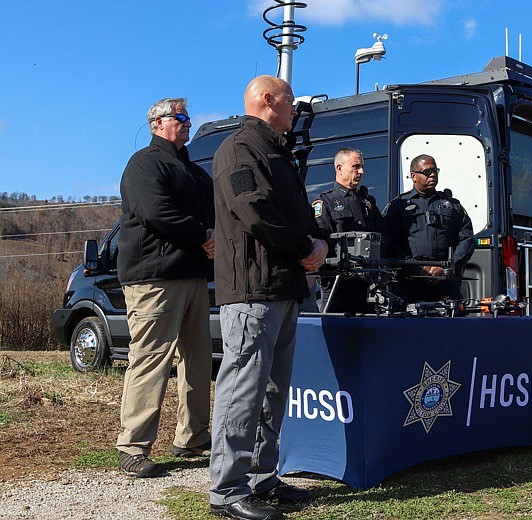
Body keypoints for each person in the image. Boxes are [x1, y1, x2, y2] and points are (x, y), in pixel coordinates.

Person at [209, 75, 329, 520]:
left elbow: (298, 212)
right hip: (253, 290)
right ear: (267, 100)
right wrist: (304, 247)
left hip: (283, 286)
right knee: (243, 387)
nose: (295, 109)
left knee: (274, 390)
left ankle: (261, 478)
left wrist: (319, 242)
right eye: (290, 102)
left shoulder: (276, 151)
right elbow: (255, 211)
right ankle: (227, 490)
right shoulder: (239, 149)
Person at [116, 98, 215, 477]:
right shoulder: (144, 163)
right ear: (158, 123)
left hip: (191, 276)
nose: (188, 123)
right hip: (153, 279)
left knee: (198, 360)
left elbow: (214, 215)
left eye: (190, 117)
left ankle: (192, 435)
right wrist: (202, 235)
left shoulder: (195, 173)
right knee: (152, 359)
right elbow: (155, 211)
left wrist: (213, 236)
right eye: (181, 118)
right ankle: (133, 445)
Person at [383, 154, 475, 303]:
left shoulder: (452, 205)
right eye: (427, 172)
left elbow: (467, 239)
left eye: (435, 171)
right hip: (410, 280)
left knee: (456, 323)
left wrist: (448, 267)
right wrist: (417, 269)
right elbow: (391, 243)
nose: (432, 175)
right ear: (413, 176)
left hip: (445, 277)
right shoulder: (398, 205)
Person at [311, 147, 384, 312]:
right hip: (338, 282)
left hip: (367, 282)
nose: (361, 171)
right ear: (339, 168)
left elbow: (382, 234)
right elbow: (322, 237)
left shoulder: (367, 202)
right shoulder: (325, 201)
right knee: (336, 332)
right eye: (356, 167)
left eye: (362, 166)